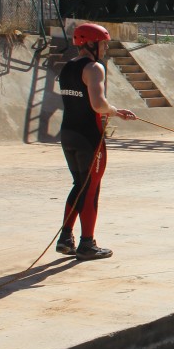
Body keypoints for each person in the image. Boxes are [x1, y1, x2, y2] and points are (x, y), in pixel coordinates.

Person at [56, 23, 137, 260]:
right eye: (103, 43)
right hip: (89, 137)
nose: (105, 48)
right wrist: (114, 110)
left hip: (68, 134)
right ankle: (87, 244)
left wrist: (113, 111)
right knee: (90, 188)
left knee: (78, 185)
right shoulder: (94, 68)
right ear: (91, 44)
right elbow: (97, 104)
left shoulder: (66, 68)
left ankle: (66, 238)